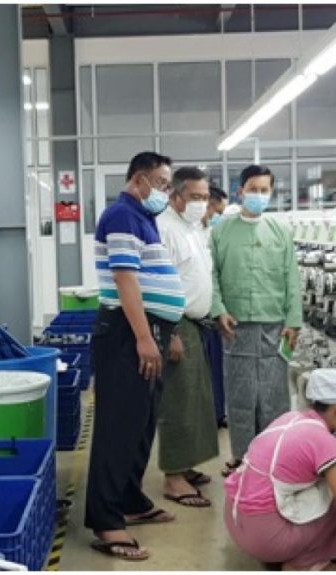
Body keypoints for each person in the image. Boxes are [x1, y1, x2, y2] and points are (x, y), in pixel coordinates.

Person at [86, 151, 185, 562]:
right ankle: (106, 519)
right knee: (118, 427)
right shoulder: (121, 215)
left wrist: (168, 331)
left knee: (141, 424)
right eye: (161, 183)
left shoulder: (144, 217)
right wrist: (144, 337)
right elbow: (125, 279)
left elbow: (151, 278)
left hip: (149, 330)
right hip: (126, 334)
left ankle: (129, 498)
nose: (165, 191)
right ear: (139, 180)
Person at [224, 369, 336, 570]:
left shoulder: (292, 419)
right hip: (266, 540)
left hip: (237, 523)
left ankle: (291, 548)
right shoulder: (324, 442)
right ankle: (305, 563)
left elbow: (288, 473)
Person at [211, 164, 303, 476]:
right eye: (253, 189)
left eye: (264, 190)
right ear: (240, 191)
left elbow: (292, 278)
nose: (259, 195)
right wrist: (218, 309)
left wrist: (294, 320)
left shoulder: (280, 231)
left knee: (273, 395)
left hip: (274, 324)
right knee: (240, 395)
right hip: (235, 325)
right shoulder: (222, 230)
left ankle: (272, 458)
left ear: (271, 192)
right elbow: (212, 274)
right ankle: (242, 458)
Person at [155, 166, 219, 508]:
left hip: (196, 322)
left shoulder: (191, 228)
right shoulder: (164, 228)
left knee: (197, 399)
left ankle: (187, 464)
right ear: (175, 195)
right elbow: (159, 285)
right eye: (195, 196)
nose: (201, 203)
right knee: (178, 401)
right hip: (177, 324)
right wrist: (171, 332)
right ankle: (173, 477)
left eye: (205, 197)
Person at [202, 185, 229, 428]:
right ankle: (214, 412)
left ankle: (218, 412)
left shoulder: (210, 232)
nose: (217, 216)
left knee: (217, 368)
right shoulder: (201, 234)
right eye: (217, 211)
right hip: (204, 314)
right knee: (211, 369)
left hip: (212, 312)